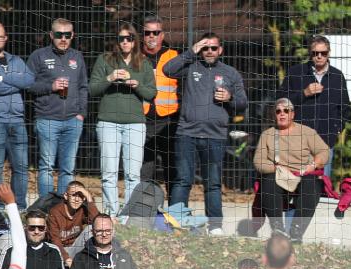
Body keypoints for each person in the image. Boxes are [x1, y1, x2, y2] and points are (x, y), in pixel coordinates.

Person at [163, 32, 248, 236]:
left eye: (213, 48)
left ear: (220, 50)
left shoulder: (230, 73)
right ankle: (176, 222)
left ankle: (215, 225)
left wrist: (229, 98)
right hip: (187, 134)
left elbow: (243, 104)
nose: (209, 51)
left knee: (213, 182)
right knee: (183, 179)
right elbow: (167, 69)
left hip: (215, 136)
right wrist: (191, 50)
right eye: (205, 48)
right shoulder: (191, 66)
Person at [90, 24, 156, 216]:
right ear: (116, 41)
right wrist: (109, 77)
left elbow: (151, 93)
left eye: (129, 38)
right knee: (109, 173)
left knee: (133, 174)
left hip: (135, 123)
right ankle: (111, 213)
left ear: (135, 41)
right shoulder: (104, 60)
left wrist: (137, 84)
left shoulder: (143, 62)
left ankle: (129, 215)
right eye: (121, 38)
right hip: (108, 122)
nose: (125, 42)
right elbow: (92, 89)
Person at [28, 18, 89, 198]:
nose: (63, 38)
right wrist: (50, 86)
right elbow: (28, 85)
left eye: (67, 35)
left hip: (73, 120)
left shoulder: (77, 56)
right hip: (47, 119)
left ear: (73, 36)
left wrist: (81, 113)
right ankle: (46, 207)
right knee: (46, 166)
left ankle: (63, 209)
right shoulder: (38, 56)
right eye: (59, 35)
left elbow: (84, 86)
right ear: (51, 35)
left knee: (68, 169)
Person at [253, 97, 329, 242]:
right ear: (274, 115)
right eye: (278, 111)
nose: (282, 114)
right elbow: (258, 162)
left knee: (313, 184)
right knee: (267, 180)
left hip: (302, 175)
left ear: (292, 114)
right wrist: (277, 168)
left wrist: (312, 165)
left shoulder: (307, 132)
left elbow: (324, 152)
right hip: (278, 175)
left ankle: (296, 231)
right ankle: (277, 228)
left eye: (286, 111)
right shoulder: (267, 135)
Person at [276, 35, 350, 178]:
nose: (319, 56)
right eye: (316, 53)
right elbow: (280, 102)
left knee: (322, 183)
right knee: (295, 182)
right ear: (310, 53)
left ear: (329, 53)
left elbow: (345, 107)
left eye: (323, 53)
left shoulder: (337, 76)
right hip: (297, 139)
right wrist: (304, 93)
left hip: (325, 141)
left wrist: (336, 129)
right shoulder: (295, 73)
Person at [0, 21, 34, 211]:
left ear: (6, 38)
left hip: (17, 120)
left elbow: (28, 80)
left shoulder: (17, 60)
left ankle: (18, 206)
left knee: (21, 167)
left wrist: (2, 78)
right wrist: (14, 80)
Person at [139, 15, 180, 189]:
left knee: (172, 171)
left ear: (162, 35)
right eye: (147, 33)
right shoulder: (134, 57)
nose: (151, 36)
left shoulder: (174, 56)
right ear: (143, 35)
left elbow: (185, 89)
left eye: (155, 32)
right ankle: (143, 212)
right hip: (142, 121)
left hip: (168, 121)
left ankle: (173, 213)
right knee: (144, 172)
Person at [46, 180, 100, 267]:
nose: (77, 199)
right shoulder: (54, 212)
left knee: (91, 228)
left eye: (81, 196)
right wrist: (66, 258)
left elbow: (98, 223)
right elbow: (55, 240)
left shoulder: (82, 209)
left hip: (75, 248)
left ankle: (93, 262)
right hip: (58, 251)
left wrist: (89, 198)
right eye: (74, 195)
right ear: (66, 196)